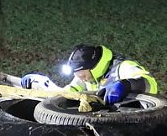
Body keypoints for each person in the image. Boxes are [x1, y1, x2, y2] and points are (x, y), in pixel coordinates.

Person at [20, 44, 158, 104]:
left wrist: (126, 85)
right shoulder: (86, 77)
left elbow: (150, 84)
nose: (79, 77)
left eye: (81, 73)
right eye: (76, 74)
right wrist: (41, 82)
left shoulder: (123, 67)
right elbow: (66, 94)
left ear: (93, 67)